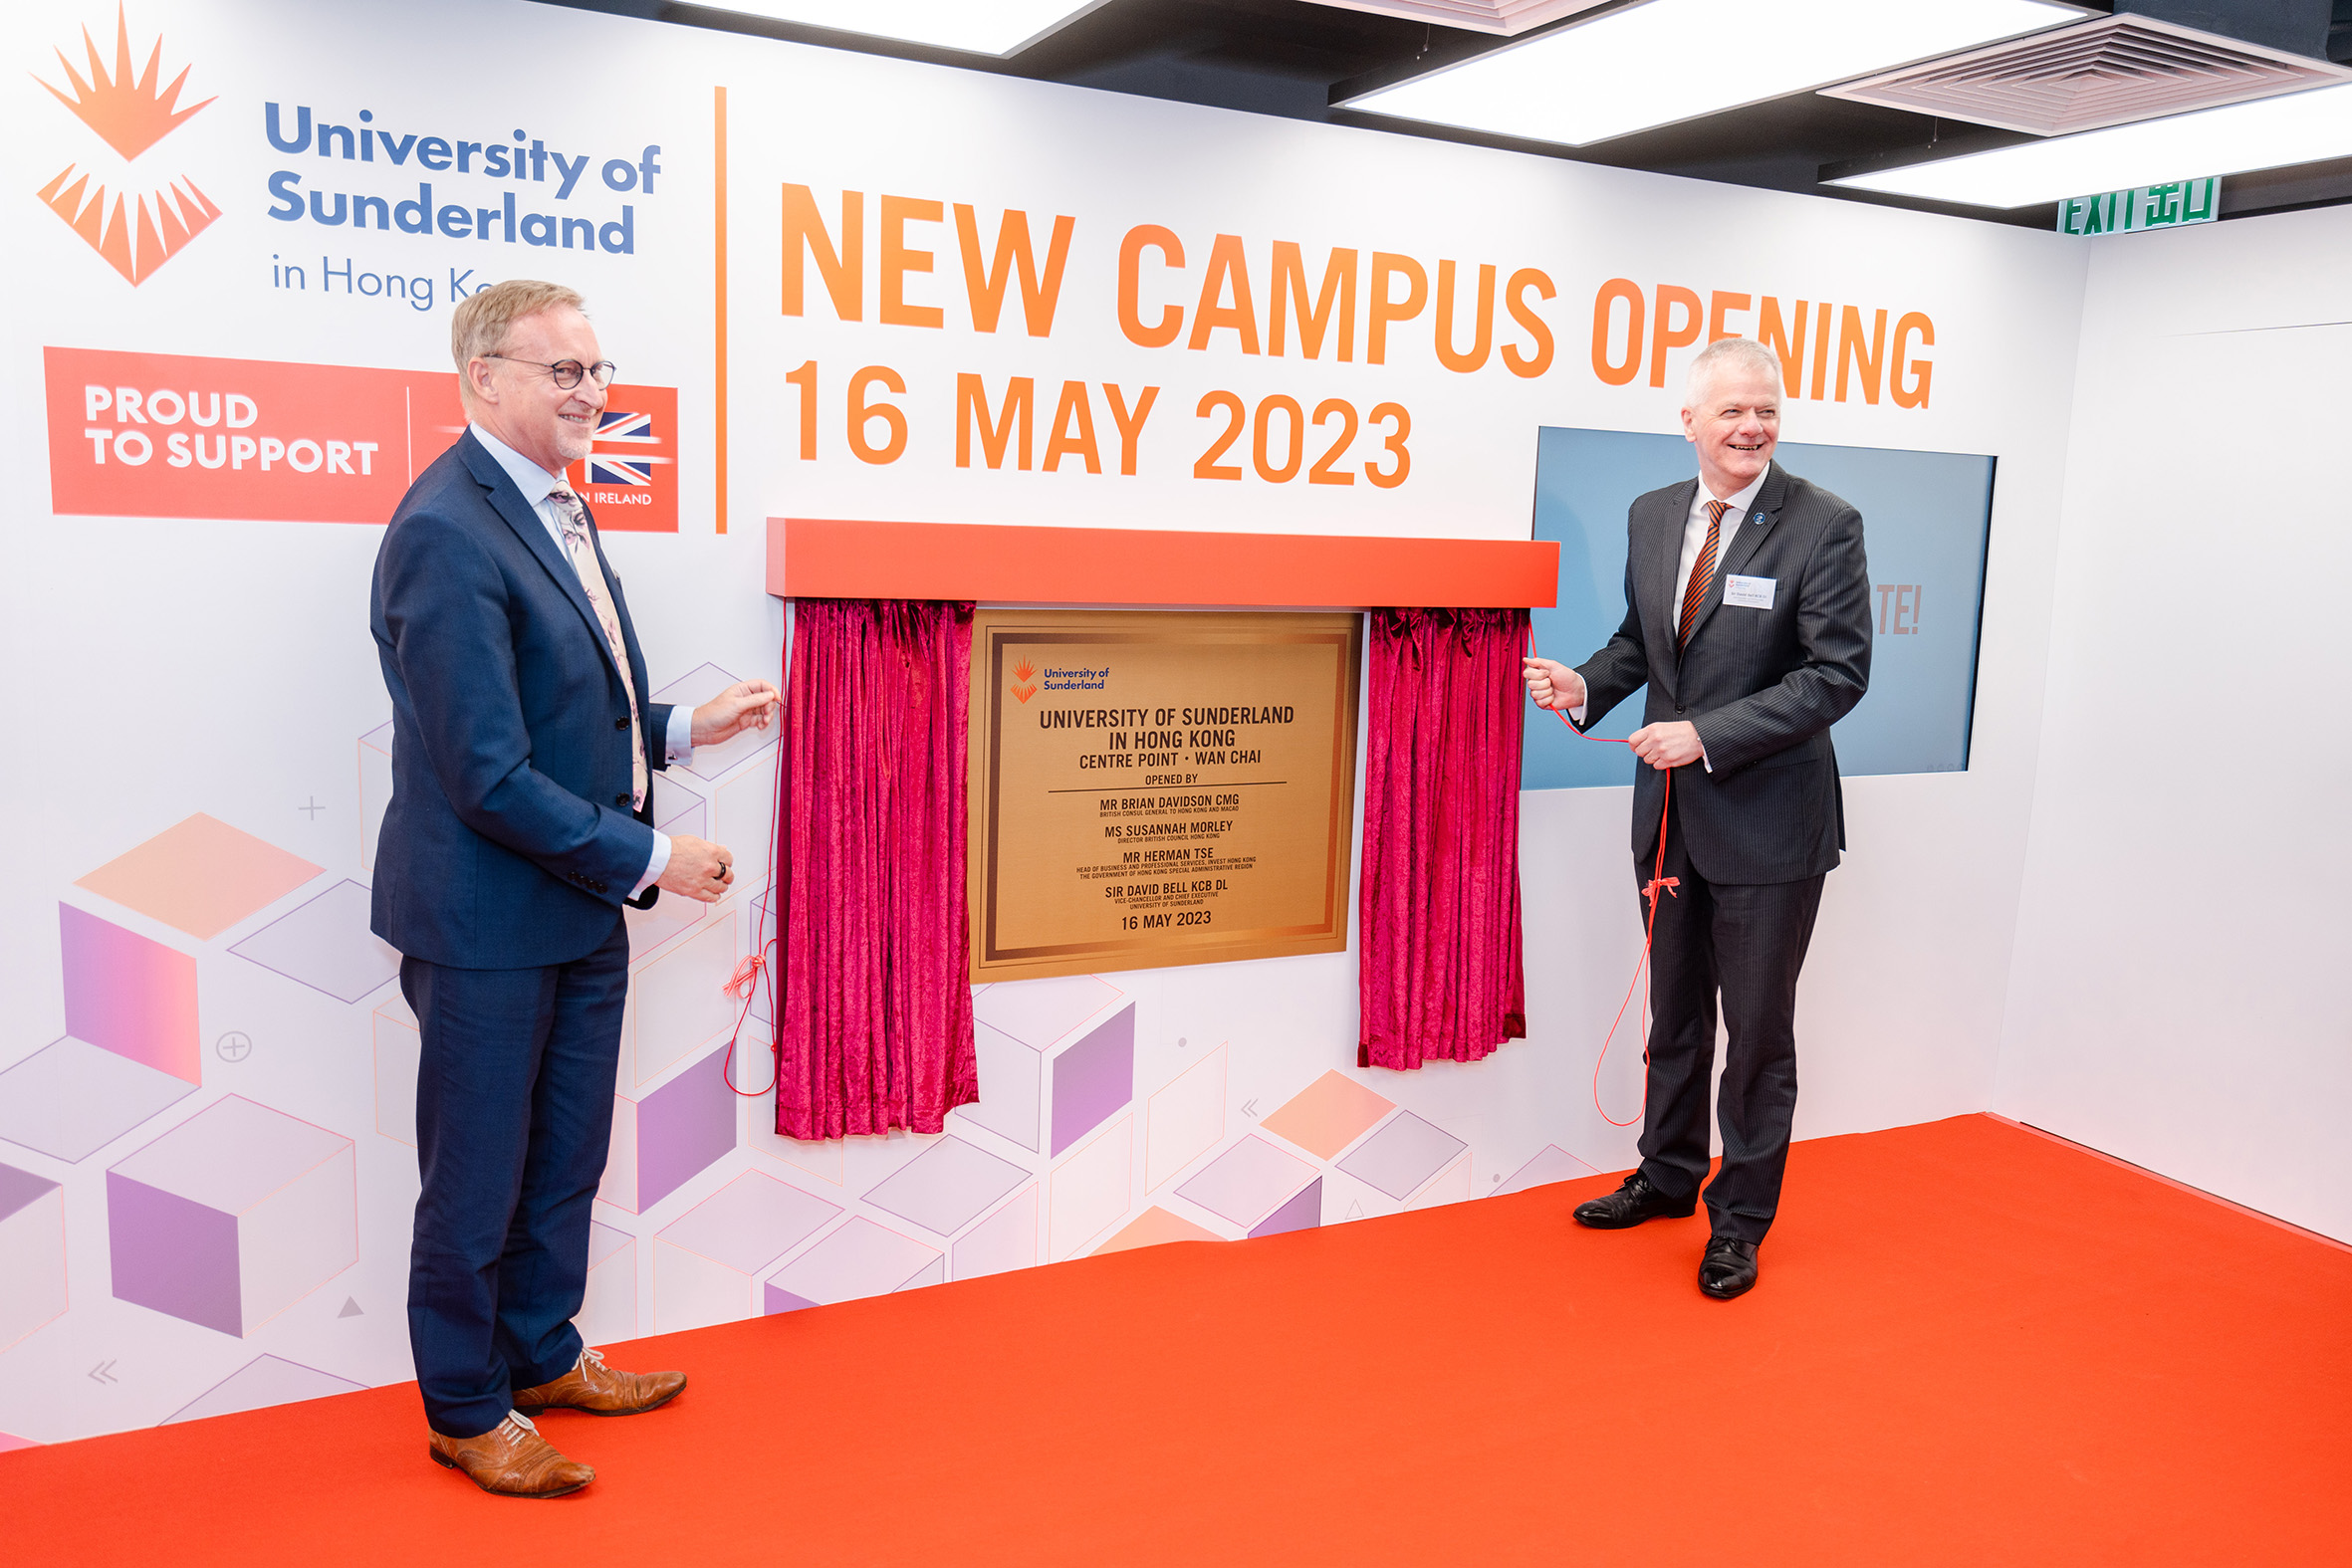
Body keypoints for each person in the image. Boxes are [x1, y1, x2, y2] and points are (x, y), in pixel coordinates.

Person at [370, 280, 779, 1495]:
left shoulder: (557, 506)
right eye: (564, 372)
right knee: (477, 1177)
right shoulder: (446, 528)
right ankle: (464, 1406)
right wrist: (657, 858)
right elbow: (486, 773)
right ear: (483, 378)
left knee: (561, 1162)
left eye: (599, 372)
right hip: (486, 921)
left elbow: (562, 707)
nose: (592, 394)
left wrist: (683, 730)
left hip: (572, 913)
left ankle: (542, 1357)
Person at [1522, 335, 1870, 1300]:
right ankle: (1667, 1173)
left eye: (1765, 410)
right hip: (1670, 816)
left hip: (1769, 825)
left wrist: (1703, 735)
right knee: (1675, 1013)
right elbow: (1643, 646)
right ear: (1689, 422)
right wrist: (1583, 685)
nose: (1752, 426)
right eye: (1732, 411)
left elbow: (1835, 677)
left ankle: (1739, 1223)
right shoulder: (1650, 515)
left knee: (1755, 1034)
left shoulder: (1824, 525)